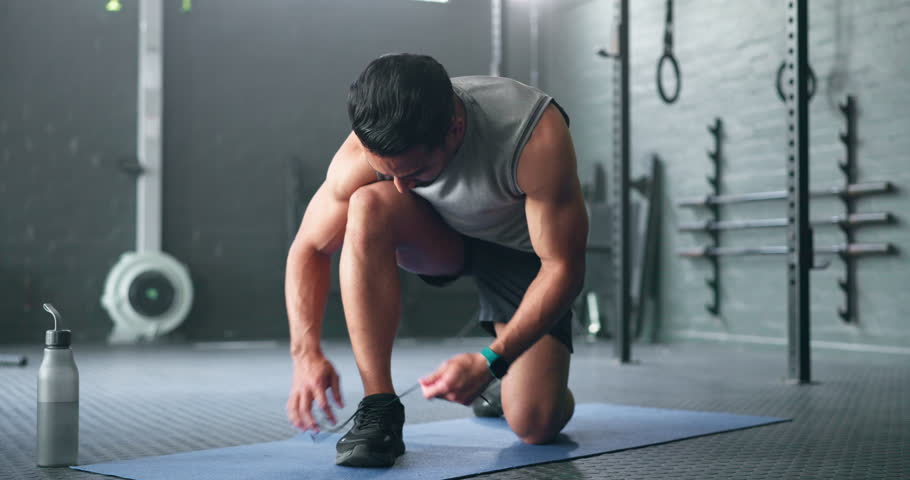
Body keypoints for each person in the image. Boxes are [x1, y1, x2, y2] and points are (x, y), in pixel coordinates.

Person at [285, 53, 588, 468]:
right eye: (387, 171)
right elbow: (309, 247)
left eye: (415, 173)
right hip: (440, 237)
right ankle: (380, 408)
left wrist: (492, 359)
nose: (401, 186)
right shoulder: (365, 148)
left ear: (455, 129)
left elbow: (563, 268)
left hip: (524, 256)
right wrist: (306, 354)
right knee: (368, 204)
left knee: (536, 424)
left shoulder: (533, 135)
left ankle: (516, 380)